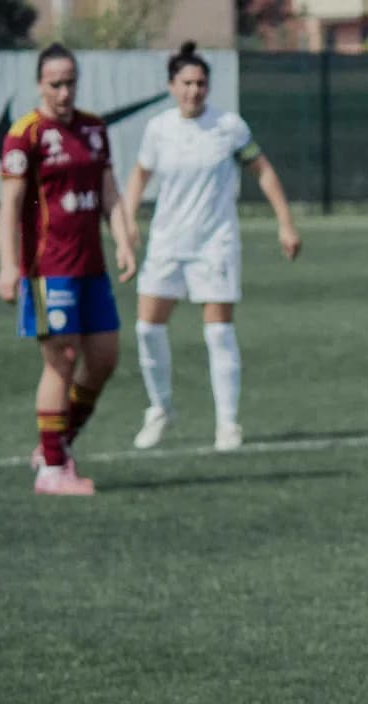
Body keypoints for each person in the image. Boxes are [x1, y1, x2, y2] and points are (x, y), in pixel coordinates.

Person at [122, 42, 302, 453]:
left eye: (201, 83)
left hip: (214, 246)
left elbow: (264, 171)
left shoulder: (229, 127)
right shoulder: (159, 129)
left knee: (219, 332)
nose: (194, 91)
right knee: (147, 328)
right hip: (167, 243)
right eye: (186, 83)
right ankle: (161, 409)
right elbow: (139, 176)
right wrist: (128, 221)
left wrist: (285, 224)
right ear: (171, 86)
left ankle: (227, 424)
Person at [0, 42, 138, 497]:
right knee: (61, 361)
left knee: (104, 359)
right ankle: (53, 470)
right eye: (55, 84)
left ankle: (55, 443)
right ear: (40, 84)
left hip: (91, 268)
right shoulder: (26, 133)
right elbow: (10, 206)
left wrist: (124, 240)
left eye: (70, 82)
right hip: (46, 270)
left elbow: (110, 192)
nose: (64, 91)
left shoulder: (94, 129)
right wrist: (7, 265)